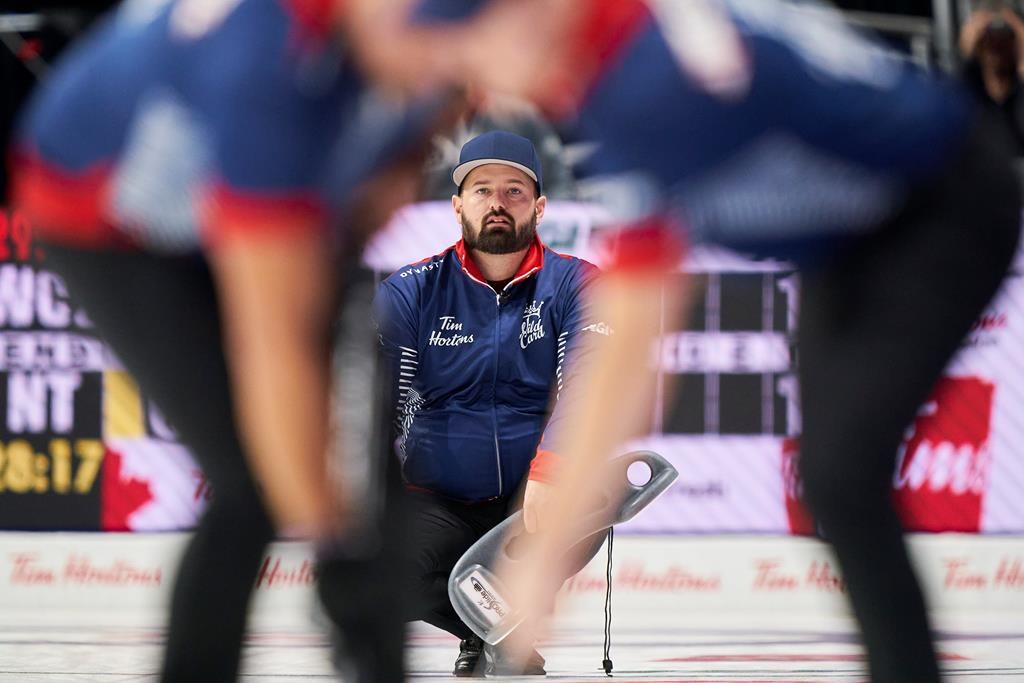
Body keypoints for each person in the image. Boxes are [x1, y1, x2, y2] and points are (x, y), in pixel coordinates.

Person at [400, 3, 1020, 683]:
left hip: (943, 202)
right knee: (834, 477)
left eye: (472, 58)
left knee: (842, 473)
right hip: (853, 230)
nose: (479, 91)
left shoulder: (646, 88)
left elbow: (630, 352)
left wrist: (542, 563)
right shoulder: (631, 50)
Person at [6, 0, 564, 680]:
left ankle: (374, 656)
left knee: (370, 452)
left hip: (269, 185)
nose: (434, 74)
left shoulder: (439, 54)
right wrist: (334, 544)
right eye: (426, 56)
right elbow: (275, 342)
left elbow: (391, 169)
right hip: (106, 220)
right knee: (253, 479)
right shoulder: (264, 68)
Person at [374, 130, 604, 677]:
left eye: (513, 191)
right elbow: (382, 395)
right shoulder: (412, 290)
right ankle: (495, 629)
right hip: (439, 499)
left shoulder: (575, 282)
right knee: (382, 568)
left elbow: (591, 379)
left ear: (540, 206)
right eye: (481, 190)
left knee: (587, 505)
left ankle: (494, 625)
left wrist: (554, 468)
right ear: (457, 205)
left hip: (537, 501)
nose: (497, 203)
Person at [959, 3, 1024, 153]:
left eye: (1006, 39)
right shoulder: (969, 90)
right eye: (989, 39)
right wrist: (967, 57)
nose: (997, 46)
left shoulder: (1019, 92)